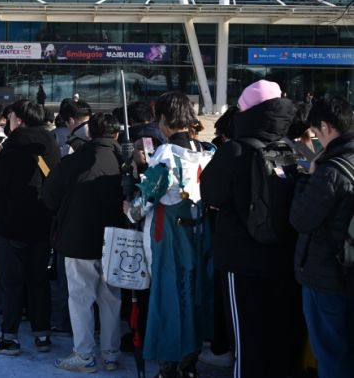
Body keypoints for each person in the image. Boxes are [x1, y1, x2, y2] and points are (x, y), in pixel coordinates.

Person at [201, 80, 303, 377]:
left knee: (247, 341)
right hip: (281, 257)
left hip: (241, 261)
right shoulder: (283, 149)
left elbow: (210, 194)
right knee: (278, 337)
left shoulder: (234, 150)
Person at [124, 91, 214, 378]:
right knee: (195, 295)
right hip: (201, 231)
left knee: (168, 298)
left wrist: (129, 206)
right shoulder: (207, 150)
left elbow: (143, 203)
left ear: (163, 119)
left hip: (170, 238)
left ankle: (169, 366)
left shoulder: (165, 155)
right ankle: (190, 361)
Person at [43, 113, 126, 373]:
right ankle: (111, 354)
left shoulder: (74, 161)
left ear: (90, 134)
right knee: (111, 298)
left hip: (78, 237)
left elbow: (49, 195)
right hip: (116, 237)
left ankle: (84, 354)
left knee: (80, 298)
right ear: (116, 135)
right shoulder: (123, 161)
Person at [0, 99, 60, 356]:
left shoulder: (12, 150)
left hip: (12, 225)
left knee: (12, 283)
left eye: (11, 116)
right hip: (43, 224)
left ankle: (9, 336)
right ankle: (42, 333)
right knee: (39, 281)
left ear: (19, 120)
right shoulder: (51, 146)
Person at [290, 97, 354, 378]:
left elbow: (300, 218)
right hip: (348, 271)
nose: (314, 139)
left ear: (326, 127)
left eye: (315, 133)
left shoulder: (329, 170)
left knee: (331, 353)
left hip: (327, 276)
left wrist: (306, 176)